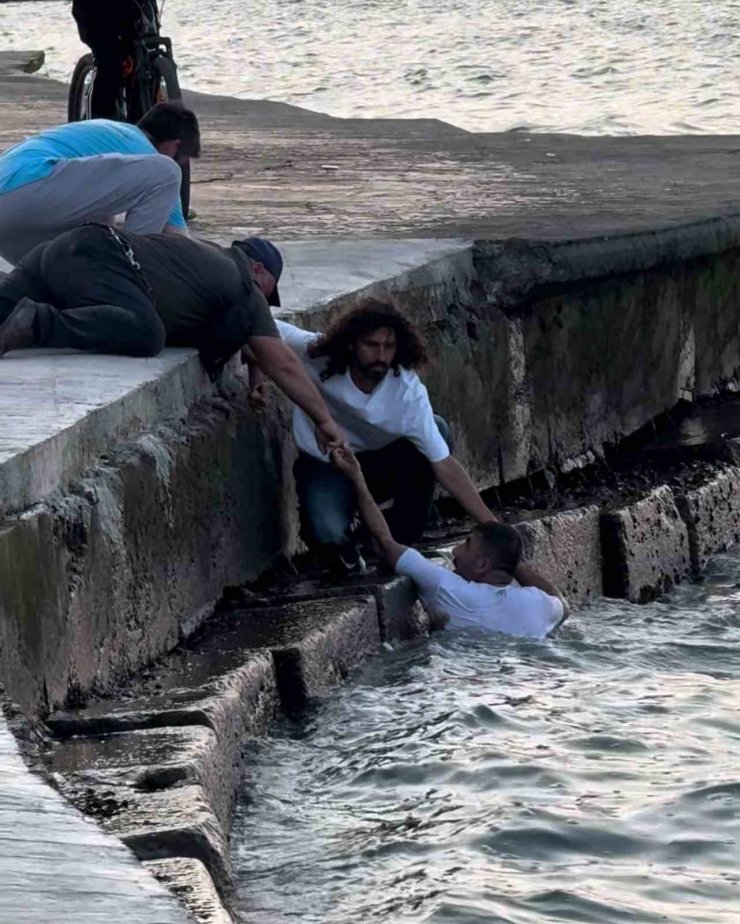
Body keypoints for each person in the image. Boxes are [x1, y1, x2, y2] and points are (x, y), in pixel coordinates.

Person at [0, 226, 342, 451]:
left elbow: (244, 341)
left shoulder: (201, 257)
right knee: (147, 333)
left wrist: (253, 373)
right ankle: (40, 323)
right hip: (99, 259)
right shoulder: (243, 286)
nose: (266, 303)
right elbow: (280, 360)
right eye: (269, 291)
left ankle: (26, 319)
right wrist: (324, 420)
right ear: (257, 270)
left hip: (65, 249)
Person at [260, 300, 496, 572]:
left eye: (389, 347)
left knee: (437, 430)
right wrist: (256, 374)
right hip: (326, 466)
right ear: (351, 344)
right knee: (328, 537)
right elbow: (258, 328)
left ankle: (396, 542)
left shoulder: (406, 390)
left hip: (382, 465)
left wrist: (493, 529)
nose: (381, 356)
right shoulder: (314, 352)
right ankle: (345, 544)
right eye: (372, 345)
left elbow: (443, 464)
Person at [332, 445, 569, 639]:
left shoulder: (449, 588)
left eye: (466, 544)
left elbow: (384, 543)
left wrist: (356, 477)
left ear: (482, 565)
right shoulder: (538, 604)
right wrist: (513, 561)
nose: (455, 550)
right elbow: (562, 604)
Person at [0, 101, 200, 265]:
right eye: (181, 159)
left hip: (11, 214)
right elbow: (177, 237)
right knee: (166, 173)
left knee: (101, 228)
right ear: (174, 146)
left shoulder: (109, 132)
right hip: (29, 188)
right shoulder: (143, 147)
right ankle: (129, 273)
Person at [72, 0, 147, 120]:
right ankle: (97, 123)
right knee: (108, 61)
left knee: (145, 54)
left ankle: (142, 119)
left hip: (133, 7)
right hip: (96, 10)